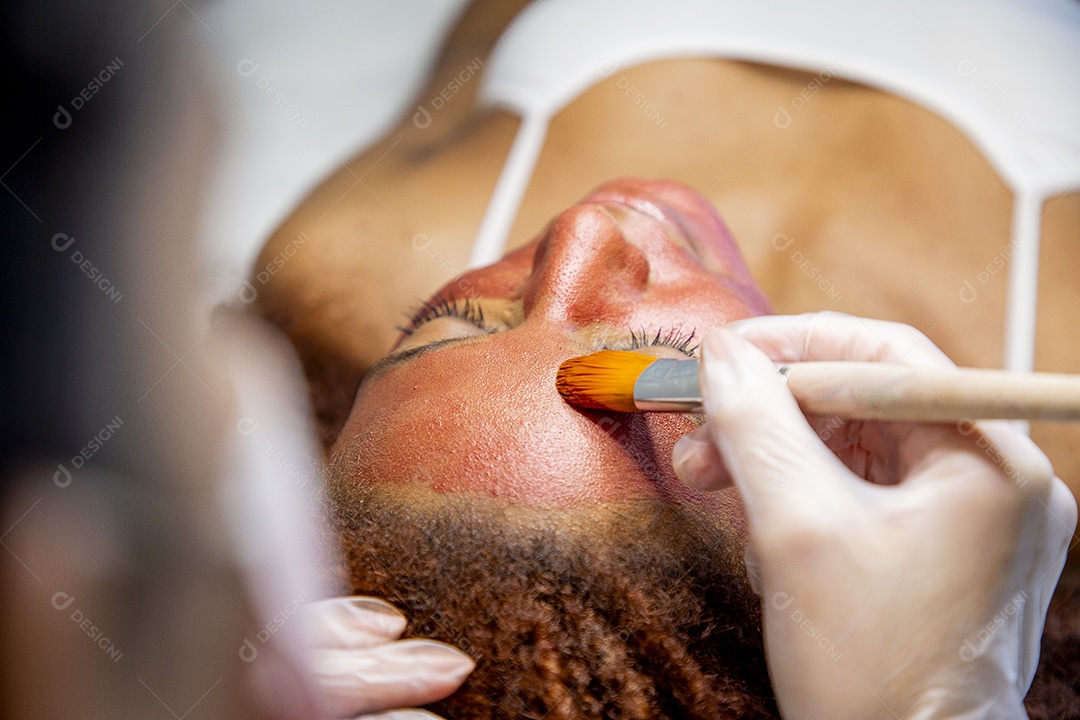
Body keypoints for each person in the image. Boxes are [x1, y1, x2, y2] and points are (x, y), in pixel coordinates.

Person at [245, 3, 1080, 717]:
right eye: (656, 370)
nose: (582, 231)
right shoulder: (1044, 445)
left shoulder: (350, 258)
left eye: (452, 323)